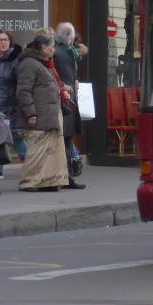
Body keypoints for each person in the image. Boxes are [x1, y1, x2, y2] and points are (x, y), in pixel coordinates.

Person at [15, 30, 69, 192]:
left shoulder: (43, 63)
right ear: (44, 48)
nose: (54, 49)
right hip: (39, 115)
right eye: (52, 46)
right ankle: (28, 181)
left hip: (49, 114)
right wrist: (30, 113)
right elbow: (23, 91)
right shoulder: (30, 63)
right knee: (37, 150)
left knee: (50, 152)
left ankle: (48, 181)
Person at [53, 21, 86, 190]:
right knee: (65, 139)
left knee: (66, 140)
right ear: (70, 37)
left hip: (67, 98)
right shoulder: (61, 52)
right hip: (65, 100)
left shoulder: (66, 51)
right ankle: (66, 177)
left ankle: (66, 176)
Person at [0, 29, 24, 178]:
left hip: (10, 104)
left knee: (15, 137)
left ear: (10, 42)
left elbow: (20, 82)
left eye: (6, 40)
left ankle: (31, 166)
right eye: (0, 40)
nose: (3, 42)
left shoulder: (15, 59)